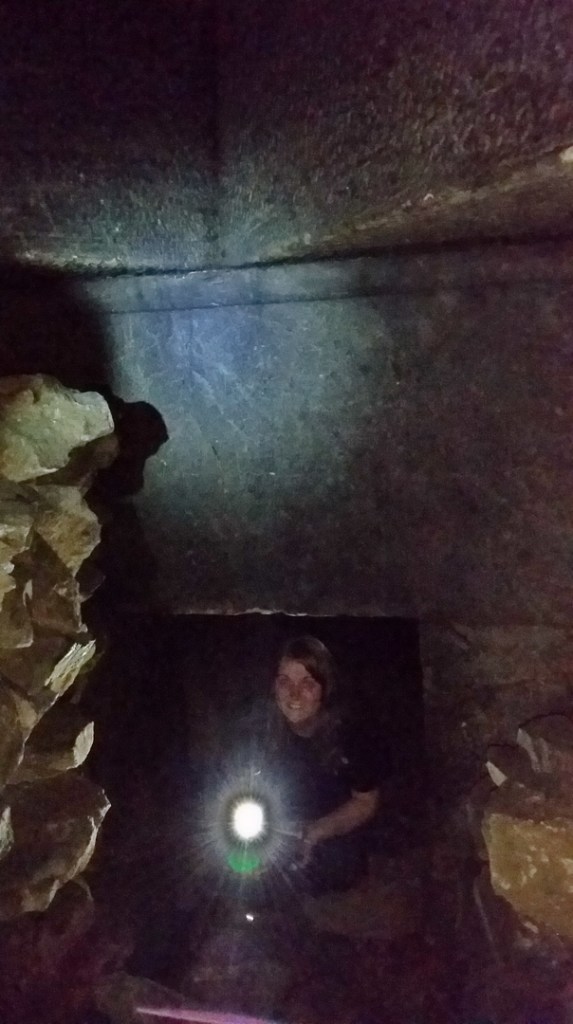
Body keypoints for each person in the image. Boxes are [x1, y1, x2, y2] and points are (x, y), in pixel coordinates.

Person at [253, 635, 381, 896]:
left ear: (324, 689)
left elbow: (366, 801)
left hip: (329, 827)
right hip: (283, 824)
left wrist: (315, 832)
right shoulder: (260, 731)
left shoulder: (352, 735)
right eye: (284, 681)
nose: (294, 694)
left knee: (338, 866)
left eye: (307, 683)